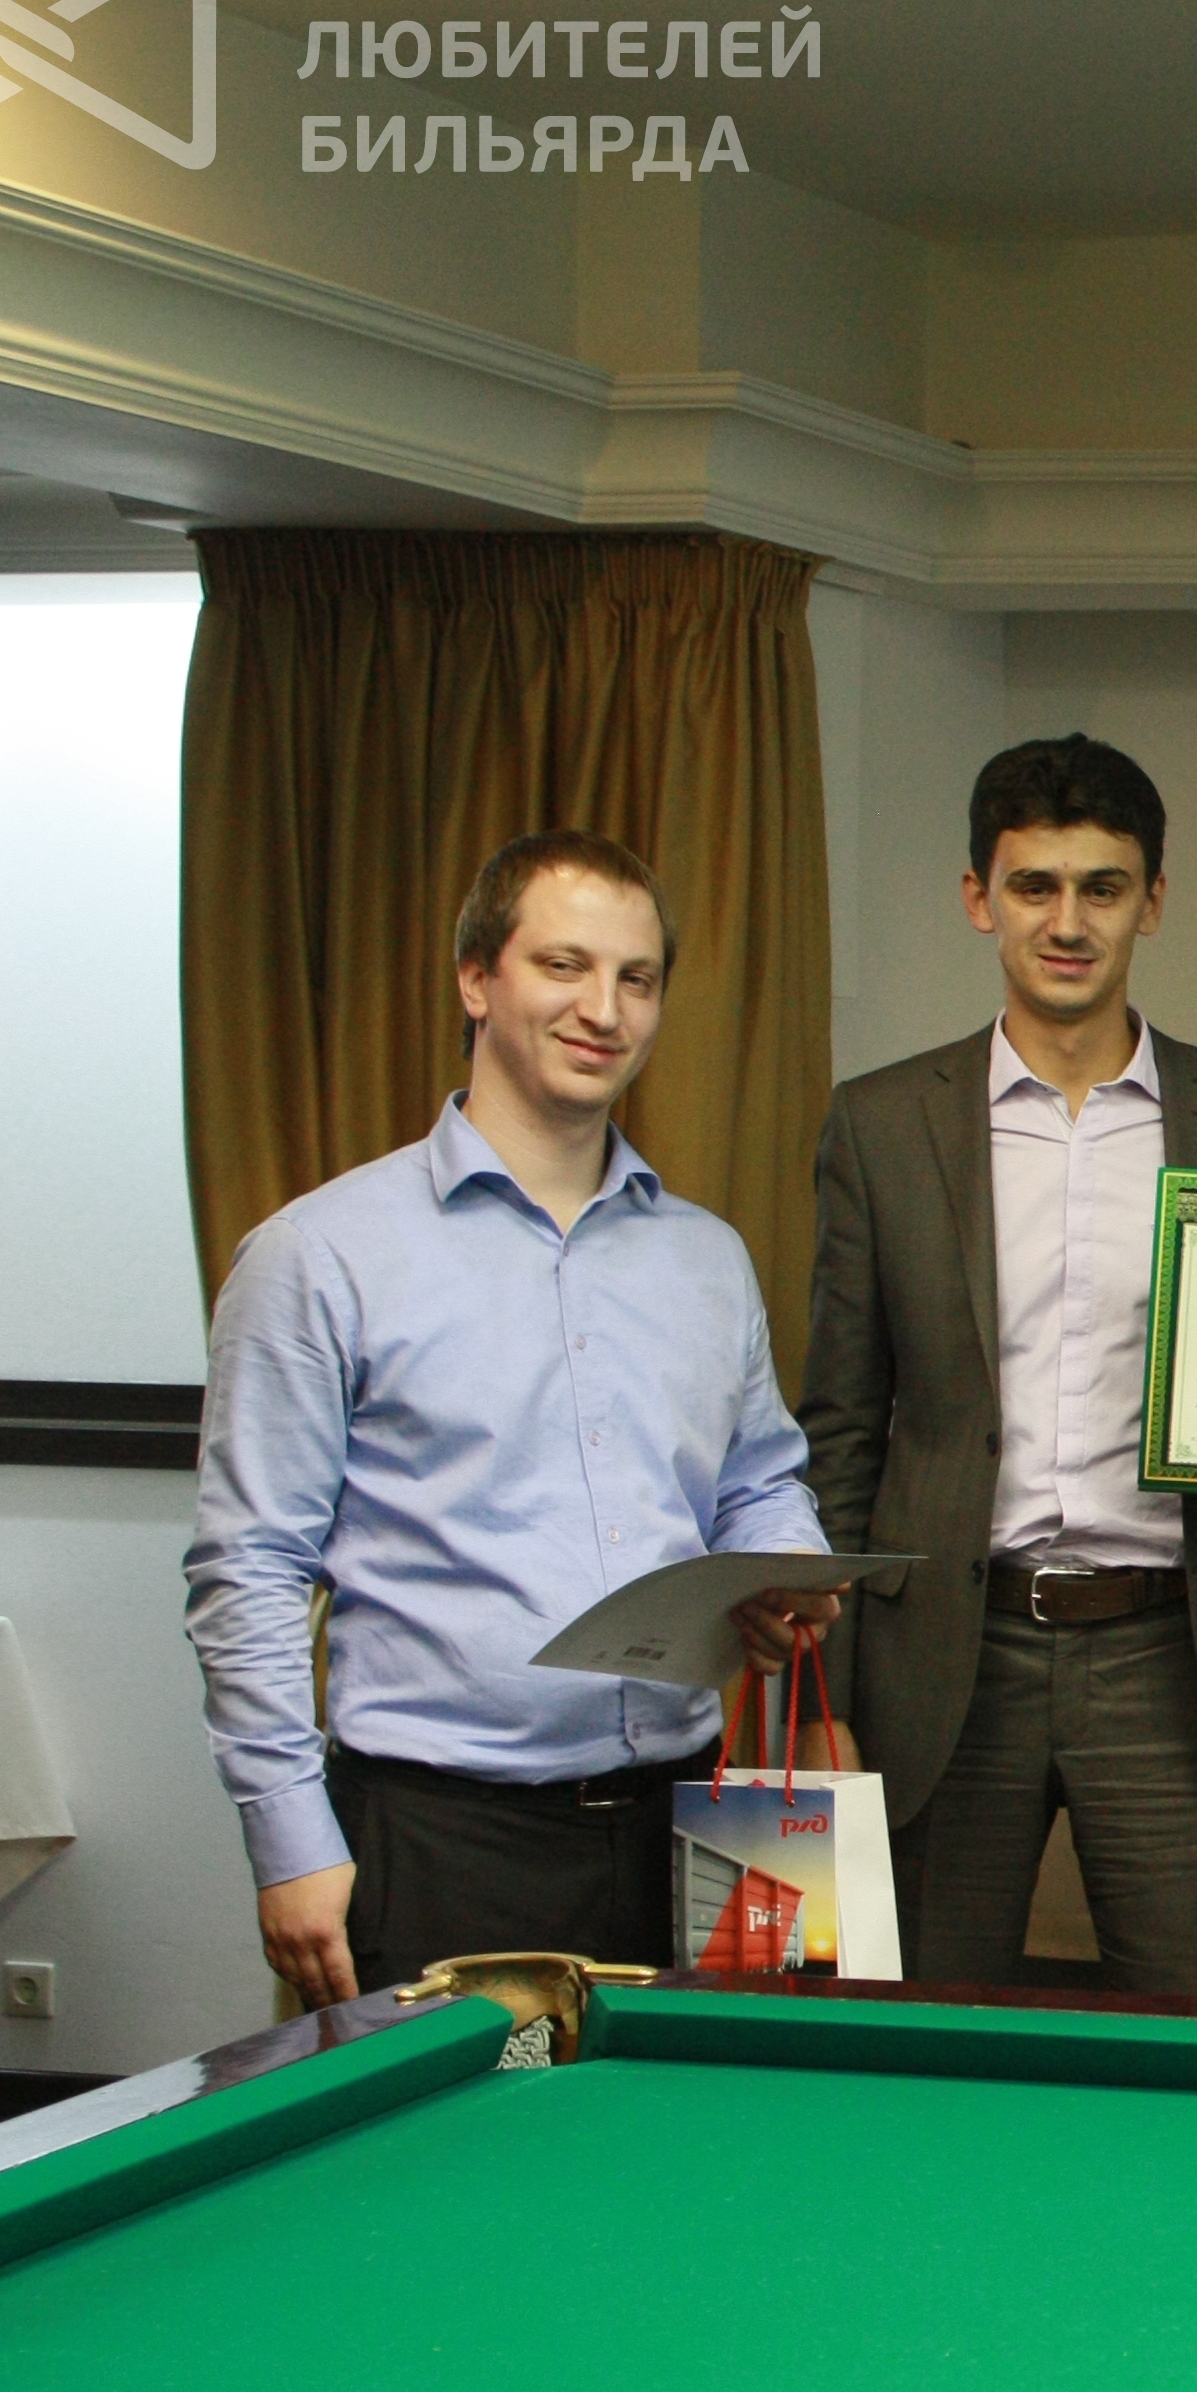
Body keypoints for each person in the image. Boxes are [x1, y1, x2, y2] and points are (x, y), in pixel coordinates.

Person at [800, 735, 1197, 1998]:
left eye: (1103, 887)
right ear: (980, 898)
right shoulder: (881, 1121)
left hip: (1173, 1653)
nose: (1068, 922)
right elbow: (842, 1427)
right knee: (920, 2045)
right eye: (1034, 886)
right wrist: (825, 1693)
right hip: (947, 1654)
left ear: (1153, 901)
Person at [188, 828, 835, 2004]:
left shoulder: (707, 1256)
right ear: (476, 979)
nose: (605, 1010)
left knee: (690, 2127)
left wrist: (787, 1564)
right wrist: (289, 1838)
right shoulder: (319, 1254)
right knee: (455, 2134)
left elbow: (757, 1478)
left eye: (638, 978)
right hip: (443, 1843)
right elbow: (252, 1569)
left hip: (694, 1828)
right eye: (564, 966)